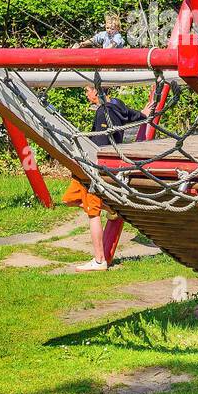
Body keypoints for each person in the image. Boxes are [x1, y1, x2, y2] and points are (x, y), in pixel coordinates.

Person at [64, 84, 154, 272]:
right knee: (70, 199)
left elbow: (101, 144)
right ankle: (113, 208)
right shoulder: (116, 104)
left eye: (87, 90)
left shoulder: (104, 111)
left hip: (97, 167)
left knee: (93, 213)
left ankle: (99, 260)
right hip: (98, 165)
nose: (86, 94)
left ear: (96, 91)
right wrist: (144, 113)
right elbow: (131, 114)